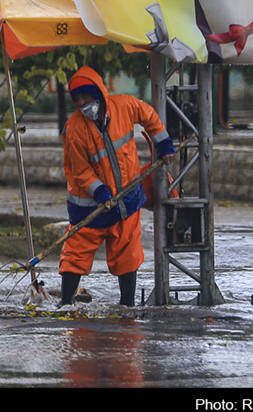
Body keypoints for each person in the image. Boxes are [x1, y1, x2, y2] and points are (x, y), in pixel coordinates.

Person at [59, 66, 176, 307]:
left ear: (98, 93)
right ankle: (65, 302)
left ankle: (127, 305)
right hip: (90, 209)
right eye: (77, 99)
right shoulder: (74, 129)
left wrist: (163, 143)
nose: (82, 103)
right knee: (76, 253)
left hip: (127, 201)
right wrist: (99, 190)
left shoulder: (124, 106)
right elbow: (80, 170)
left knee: (127, 253)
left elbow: (149, 116)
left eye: (86, 97)